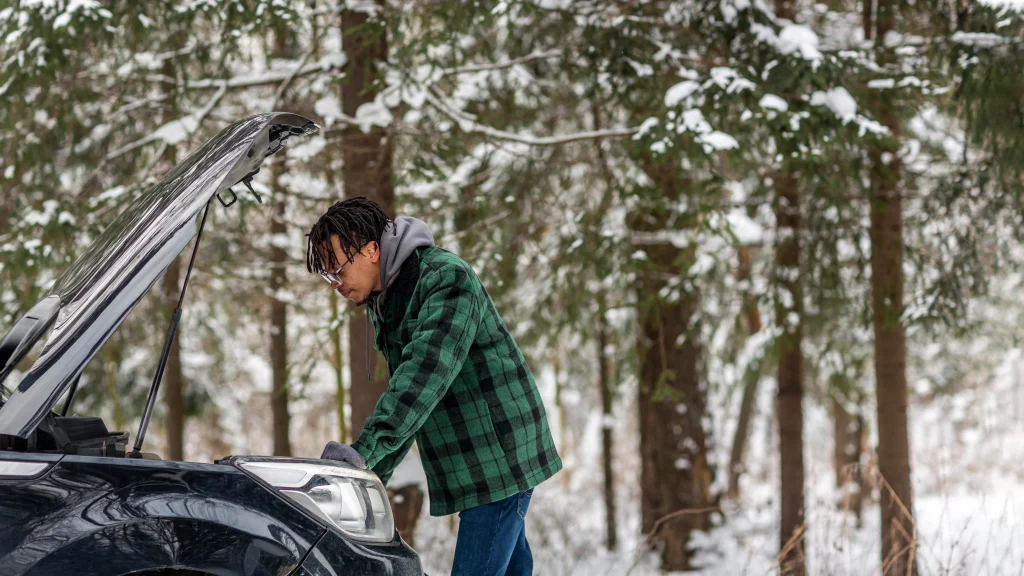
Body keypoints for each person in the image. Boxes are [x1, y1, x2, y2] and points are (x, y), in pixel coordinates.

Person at [305, 197, 562, 576]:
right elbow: (410, 405)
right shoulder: (389, 301)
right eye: (328, 275)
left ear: (372, 250)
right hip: (474, 464)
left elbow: (423, 379)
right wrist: (366, 476)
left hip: (500, 459)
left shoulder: (445, 279)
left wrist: (364, 455)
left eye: (338, 268)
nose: (335, 284)